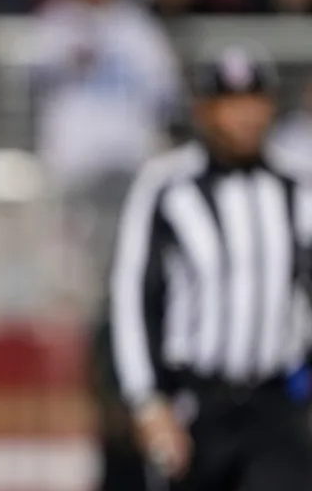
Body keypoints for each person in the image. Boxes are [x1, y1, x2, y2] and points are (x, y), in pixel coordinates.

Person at [108, 44, 312, 491]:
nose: (245, 116)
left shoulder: (297, 186)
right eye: (231, 103)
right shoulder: (166, 186)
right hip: (197, 406)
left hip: (278, 403)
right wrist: (147, 401)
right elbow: (134, 296)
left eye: (254, 101)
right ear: (204, 110)